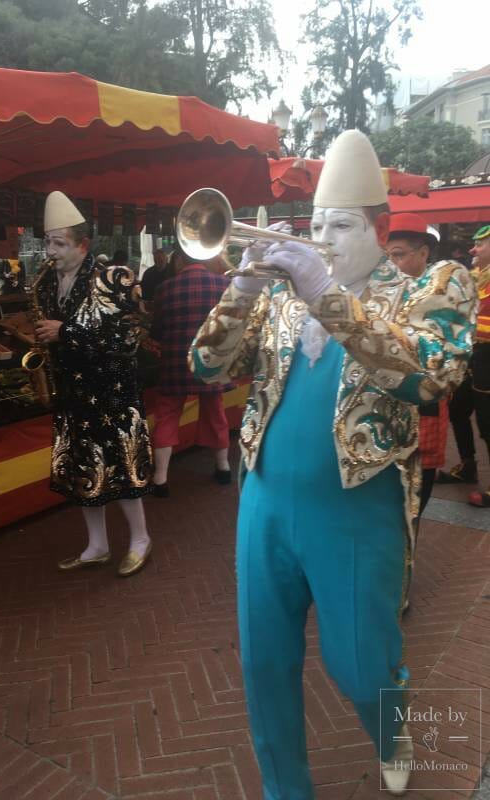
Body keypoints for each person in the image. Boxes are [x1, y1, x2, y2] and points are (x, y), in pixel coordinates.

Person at [189, 130, 476, 799]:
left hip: (357, 506)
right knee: (264, 661)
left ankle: (392, 723)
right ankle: (286, 789)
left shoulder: (429, 288)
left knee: (360, 662)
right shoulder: (275, 295)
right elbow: (207, 366)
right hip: (265, 501)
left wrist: (325, 293)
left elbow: (429, 379)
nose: (323, 237)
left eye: (341, 225)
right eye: (316, 224)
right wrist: (240, 282)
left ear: (379, 230)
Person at [35, 191, 153, 576]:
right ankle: (97, 545)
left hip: (112, 393)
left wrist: (66, 332)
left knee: (122, 467)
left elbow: (131, 336)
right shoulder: (45, 285)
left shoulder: (115, 279)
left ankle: (140, 539)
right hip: (73, 394)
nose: (51, 251)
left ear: (82, 244)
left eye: (59, 243)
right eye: (48, 242)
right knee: (81, 468)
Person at [150, 246, 233, 496]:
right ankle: (223, 468)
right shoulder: (224, 284)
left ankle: (160, 479)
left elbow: (157, 332)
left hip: (175, 362)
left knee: (167, 415)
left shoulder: (164, 288)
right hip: (210, 363)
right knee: (215, 412)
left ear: (178, 260)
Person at [385, 213, 450, 517]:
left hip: (422, 409)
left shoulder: (441, 295)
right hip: (384, 418)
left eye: (398, 255)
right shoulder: (380, 291)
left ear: (423, 253)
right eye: (386, 256)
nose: (390, 264)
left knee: (415, 499)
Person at [436, 224, 490, 506]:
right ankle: (467, 465)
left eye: (480, 244)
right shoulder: (474, 278)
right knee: (458, 410)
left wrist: (464, 324)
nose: (472, 249)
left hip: (488, 358)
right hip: (472, 356)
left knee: (488, 422)